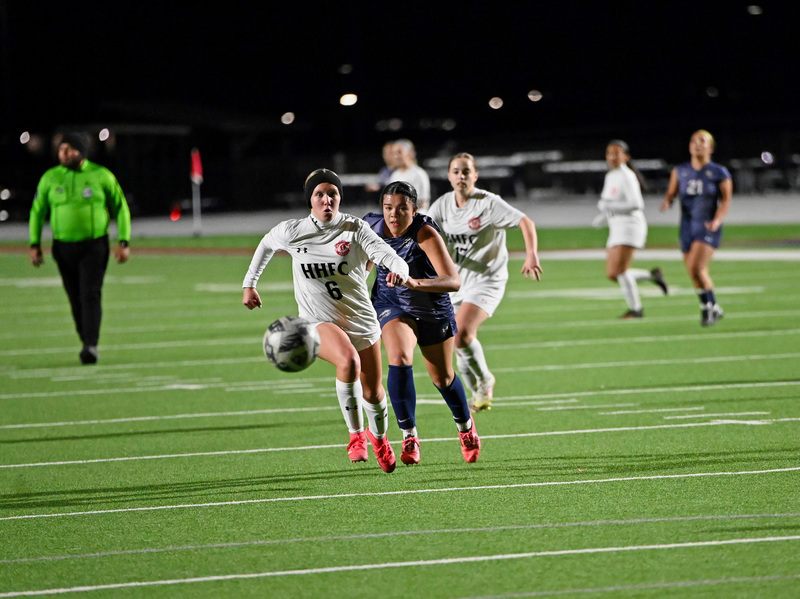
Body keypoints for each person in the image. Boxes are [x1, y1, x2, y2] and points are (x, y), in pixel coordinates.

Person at [242, 169, 410, 473]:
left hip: (361, 320)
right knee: (348, 362)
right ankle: (356, 436)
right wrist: (250, 283)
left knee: (373, 392)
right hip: (317, 321)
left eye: (332, 193)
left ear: (339, 197)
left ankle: (380, 439)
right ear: (310, 199)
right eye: (319, 194)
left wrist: (401, 270)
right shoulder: (293, 230)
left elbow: (387, 254)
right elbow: (266, 244)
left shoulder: (354, 228)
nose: (326, 199)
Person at [363, 181, 481, 465]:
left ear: (414, 210)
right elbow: (361, 268)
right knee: (400, 358)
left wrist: (414, 282)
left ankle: (465, 427)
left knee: (443, 377)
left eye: (402, 209)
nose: (394, 215)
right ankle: (409, 436)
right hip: (391, 305)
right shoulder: (371, 230)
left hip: (432, 309)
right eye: (388, 208)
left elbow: (453, 281)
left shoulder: (424, 232)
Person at [427, 153, 542, 412]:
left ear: (475, 176)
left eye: (466, 171)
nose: (461, 176)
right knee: (456, 342)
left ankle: (485, 379)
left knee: (462, 333)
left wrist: (531, 253)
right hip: (456, 283)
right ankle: (477, 391)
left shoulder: (488, 203)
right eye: (456, 171)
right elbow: (424, 233)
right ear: (448, 176)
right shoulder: (442, 205)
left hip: (488, 280)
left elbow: (525, 221)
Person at [28, 131, 131, 365]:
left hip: (94, 245)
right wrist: (35, 244)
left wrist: (123, 241)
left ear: (81, 152)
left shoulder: (101, 175)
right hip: (63, 247)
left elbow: (121, 208)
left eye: (69, 149)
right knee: (74, 298)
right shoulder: (50, 178)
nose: (63, 153)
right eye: (61, 148)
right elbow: (37, 212)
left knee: (90, 294)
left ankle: (91, 345)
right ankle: (86, 338)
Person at [660, 130, 733, 326]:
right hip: (686, 226)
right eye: (693, 141)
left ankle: (709, 309)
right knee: (693, 273)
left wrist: (717, 220)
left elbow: (726, 201)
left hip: (707, 225)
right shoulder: (680, 171)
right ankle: (712, 307)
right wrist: (667, 201)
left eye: (702, 141)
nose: (697, 144)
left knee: (697, 268)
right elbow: (672, 192)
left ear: (711, 147)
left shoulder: (719, 172)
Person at [594, 139, 668, 318]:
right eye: (609, 153)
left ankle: (636, 309)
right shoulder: (611, 175)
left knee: (619, 271)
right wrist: (603, 217)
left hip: (629, 226)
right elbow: (610, 202)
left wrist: (609, 209)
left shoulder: (627, 176)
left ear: (625, 157)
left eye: (616, 153)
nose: (612, 157)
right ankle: (652, 276)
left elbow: (636, 203)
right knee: (613, 273)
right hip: (616, 226)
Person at [388, 139, 431, 211]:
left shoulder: (419, 174)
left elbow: (422, 202)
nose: (396, 156)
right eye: (394, 153)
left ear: (409, 153)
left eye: (399, 152)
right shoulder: (394, 175)